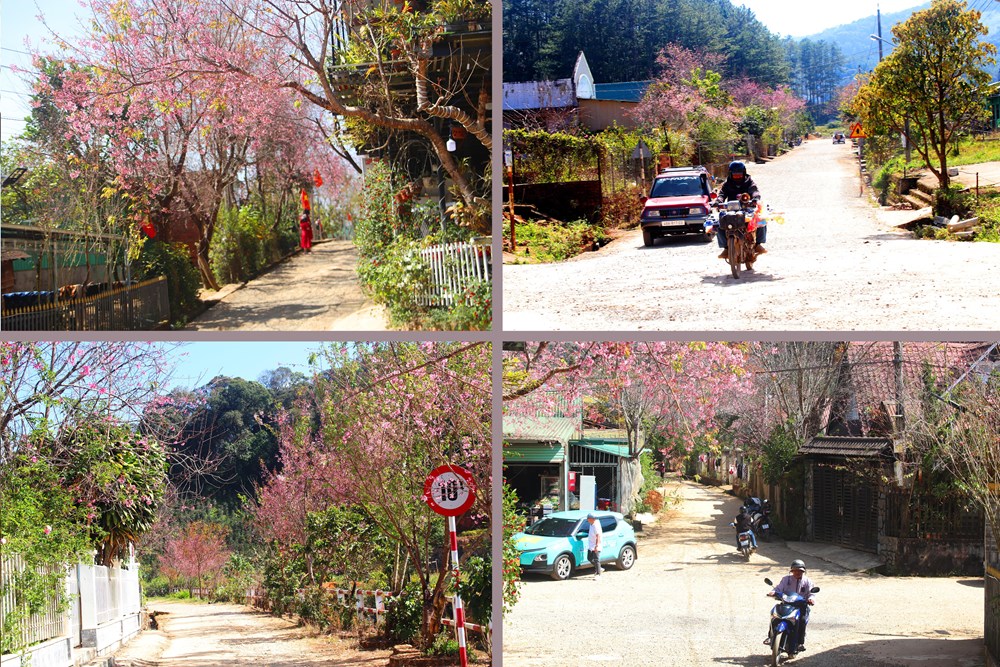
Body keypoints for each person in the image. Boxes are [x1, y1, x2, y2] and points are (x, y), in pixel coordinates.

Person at [715, 161, 767, 259]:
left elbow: (754, 191)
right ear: (731, 174)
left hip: (748, 208)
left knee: (760, 221)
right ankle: (726, 248)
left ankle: (758, 244)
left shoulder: (749, 182)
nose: (737, 177)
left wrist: (755, 198)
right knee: (719, 224)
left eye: (739, 175)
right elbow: (722, 194)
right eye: (735, 175)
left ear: (743, 173)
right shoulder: (727, 184)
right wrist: (718, 201)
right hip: (731, 210)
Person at [766, 559, 816, 653]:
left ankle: (800, 643)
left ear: (803, 571)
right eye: (795, 570)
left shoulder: (808, 581)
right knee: (775, 614)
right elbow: (779, 588)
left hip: (801, 606)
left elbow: (811, 593)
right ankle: (770, 637)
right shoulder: (786, 579)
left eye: (800, 571)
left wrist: (811, 599)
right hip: (787, 604)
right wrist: (773, 592)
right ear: (791, 571)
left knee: (802, 620)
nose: (797, 572)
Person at [586, 512, 603, 579]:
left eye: (588, 519)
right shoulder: (591, 524)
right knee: (589, 558)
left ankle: (598, 574)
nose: (587, 520)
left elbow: (598, 535)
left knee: (596, 559)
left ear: (591, 519)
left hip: (595, 544)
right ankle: (598, 567)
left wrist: (597, 545)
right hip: (591, 544)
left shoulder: (596, 525)